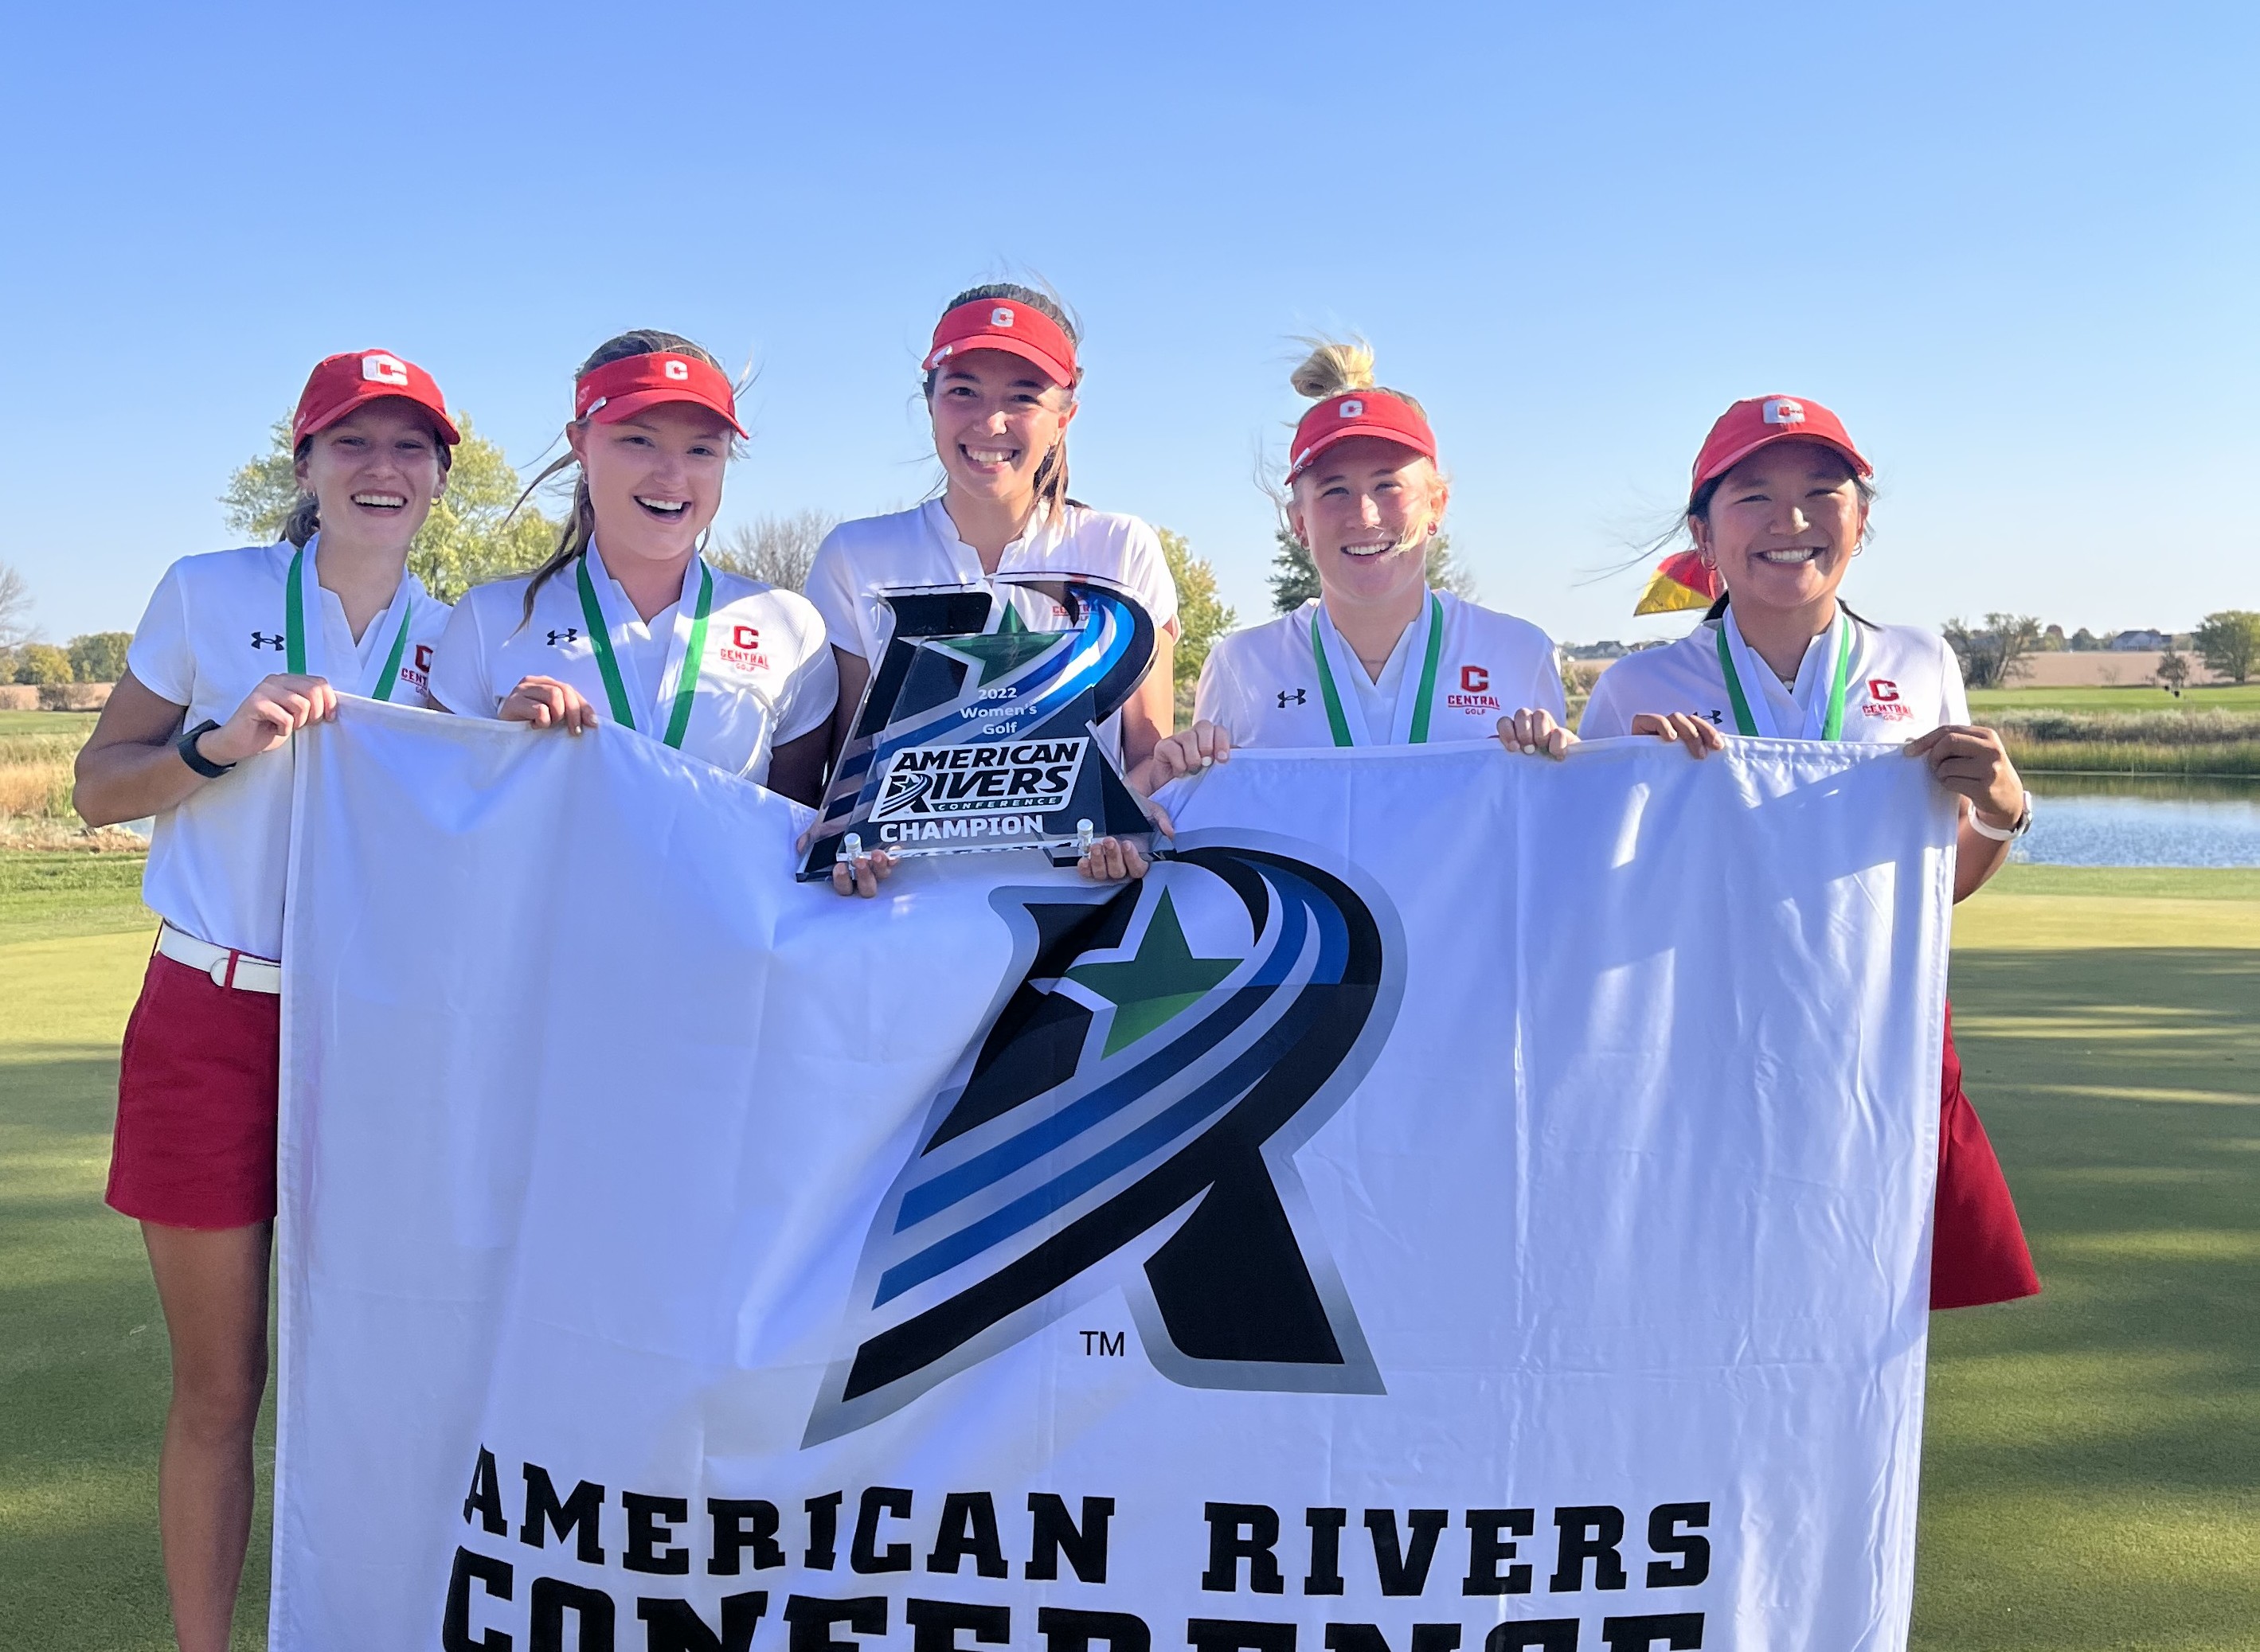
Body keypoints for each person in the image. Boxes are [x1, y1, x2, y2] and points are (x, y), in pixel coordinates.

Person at [72, 349, 461, 1650]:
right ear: (303, 466)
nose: (382, 470)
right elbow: (98, 784)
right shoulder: (210, 589)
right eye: (352, 443)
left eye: (411, 448)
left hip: (378, 1036)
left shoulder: (459, 638)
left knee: (375, 1382)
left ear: (440, 479)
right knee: (220, 1389)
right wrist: (211, 744)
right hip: (210, 1014)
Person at [1581, 392, 2040, 1309]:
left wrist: (2000, 809)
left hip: (1873, 1039)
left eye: (1821, 492)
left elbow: (1928, 885)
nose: (1790, 521)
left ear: (1861, 522)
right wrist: (1645, 798)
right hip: (1700, 1049)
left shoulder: (1920, 662)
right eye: (1752, 496)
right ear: (1703, 536)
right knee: (1702, 1302)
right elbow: (1590, 905)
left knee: (1874, 1309)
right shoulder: (1639, 685)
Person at [803, 283, 1179, 893]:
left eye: (1023, 397)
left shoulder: (1123, 548)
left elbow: (1148, 757)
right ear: (929, 403)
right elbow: (850, 771)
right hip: (903, 907)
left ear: (1065, 418)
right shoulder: (854, 556)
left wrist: (1126, 823)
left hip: (1078, 909)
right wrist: (850, 842)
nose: (990, 421)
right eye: (963, 391)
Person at [1139, 339, 1570, 795]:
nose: (1364, 516)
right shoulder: (1243, 667)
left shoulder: (1520, 652)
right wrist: (1172, 783)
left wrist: (1565, 770)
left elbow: (1561, 832)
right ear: (1299, 522)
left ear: (1436, 505)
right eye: (1335, 491)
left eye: (1388, 486)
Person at [426, 331, 835, 805]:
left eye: (701, 450)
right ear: (580, 444)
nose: (671, 475)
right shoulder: (488, 619)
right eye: (638, 440)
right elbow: (440, 822)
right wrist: (501, 750)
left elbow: (798, 836)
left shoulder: (790, 626)